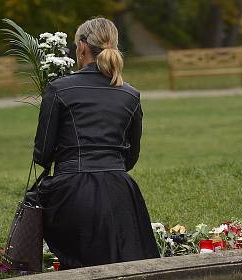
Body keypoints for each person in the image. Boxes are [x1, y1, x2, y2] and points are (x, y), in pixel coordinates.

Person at [33, 17, 158, 269]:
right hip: (121, 193)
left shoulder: (59, 89)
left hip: (70, 192)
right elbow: (131, 157)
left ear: (81, 46)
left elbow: (42, 155)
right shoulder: (130, 94)